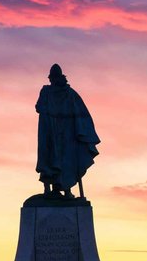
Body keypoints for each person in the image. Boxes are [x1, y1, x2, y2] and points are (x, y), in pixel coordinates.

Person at [35, 64, 100, 198]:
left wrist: (79, 129)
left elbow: (81, 113)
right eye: (51, 79)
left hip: (65, 133)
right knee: (48, 159)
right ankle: (50, 190)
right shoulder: (47, 92)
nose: (52, 81)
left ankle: (66, 190)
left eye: (54, 78)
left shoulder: (69, 94)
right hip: (49, 131)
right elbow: (39, 107)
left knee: (66, 160)